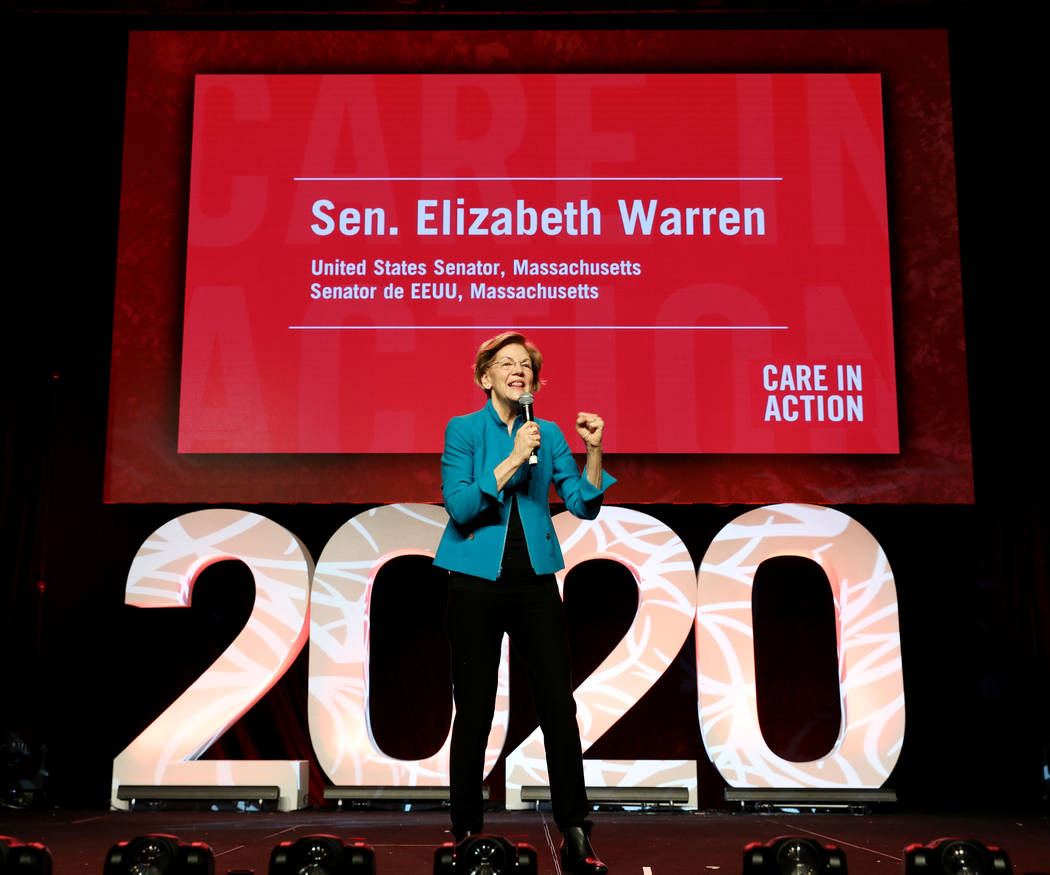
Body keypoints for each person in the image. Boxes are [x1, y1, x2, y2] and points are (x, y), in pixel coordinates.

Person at [434, 331, 614, 875]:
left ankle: (577, 834)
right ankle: (466, 830)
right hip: (472, 582)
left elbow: (584, 505)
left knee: (559, 708)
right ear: (485, 377)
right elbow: (461, 506)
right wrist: (513, 458)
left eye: (526, 366)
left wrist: (594, 449)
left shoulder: (551, 432)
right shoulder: (463, 430)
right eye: (506, 364)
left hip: (535, 584)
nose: (519, 372)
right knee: (475, 709)